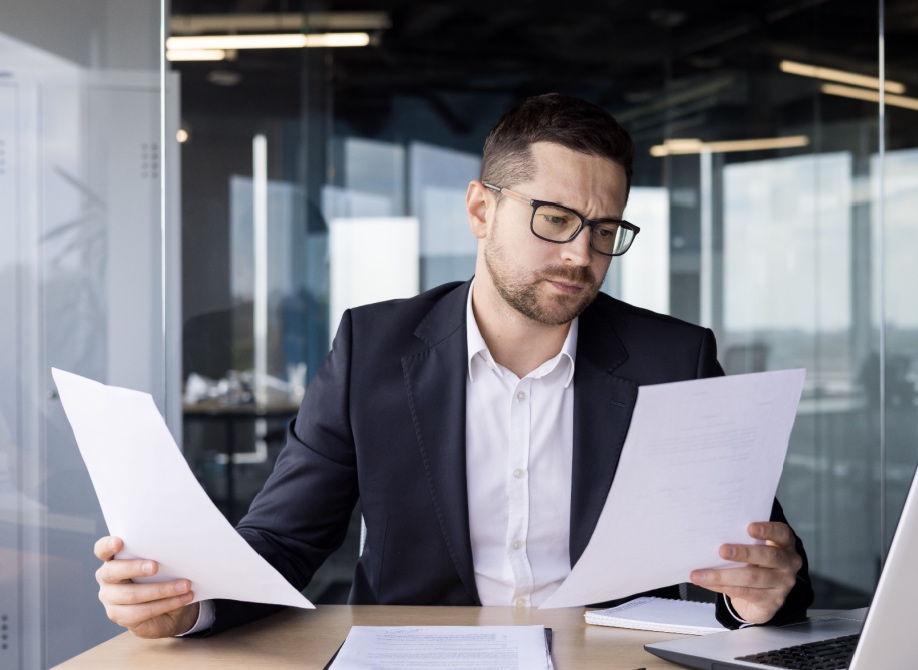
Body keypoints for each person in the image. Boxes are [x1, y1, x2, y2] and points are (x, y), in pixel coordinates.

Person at [93, 93, 814, 638]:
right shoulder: (372, 349)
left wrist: (756, 593)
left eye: (603, 231)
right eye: (555, 219)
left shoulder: (673, 358)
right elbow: (283, 541)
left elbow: (757, 558)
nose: (579, 255)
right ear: (479, 209)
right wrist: (187, 604)